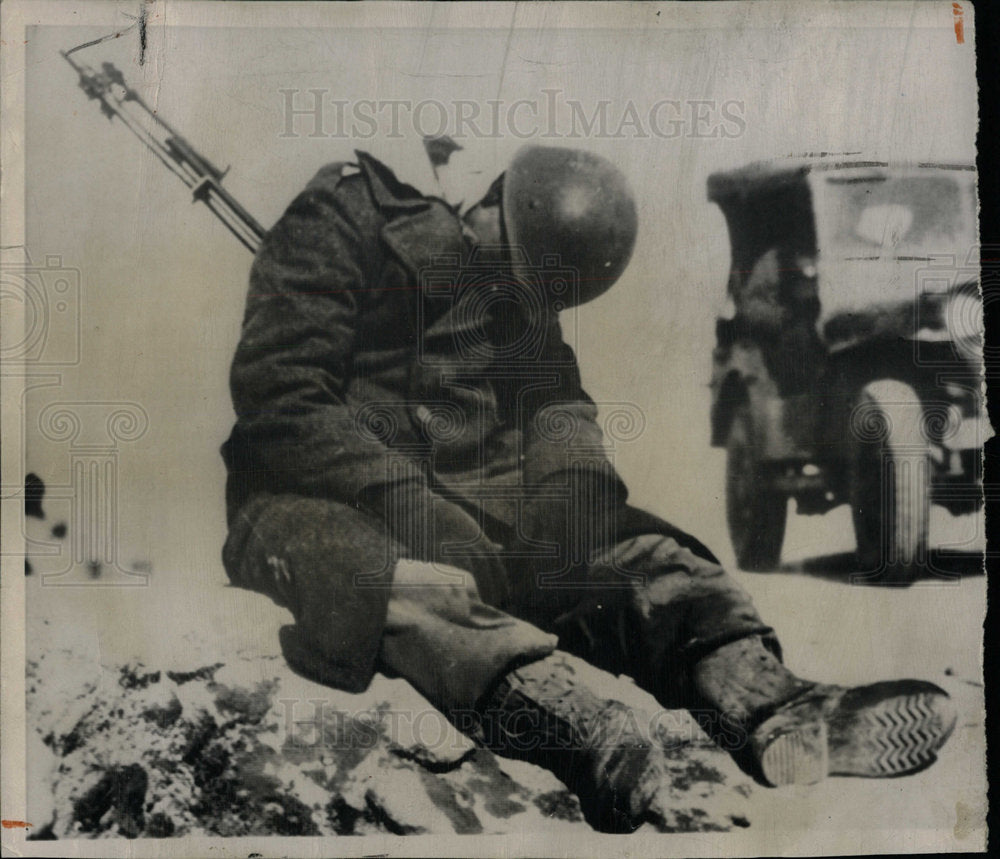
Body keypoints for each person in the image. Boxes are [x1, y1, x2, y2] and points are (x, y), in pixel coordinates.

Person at [220, 145, 956, 832]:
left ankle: (778, 706)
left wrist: (569, 496)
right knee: (397, 585)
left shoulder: (526, 253)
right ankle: (586, 738)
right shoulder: (343, 214)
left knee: (652, 561)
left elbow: (556, 399)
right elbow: (281, 395)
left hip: (484, 501)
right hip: (320, 499)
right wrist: (407, 503)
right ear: (492, 199)